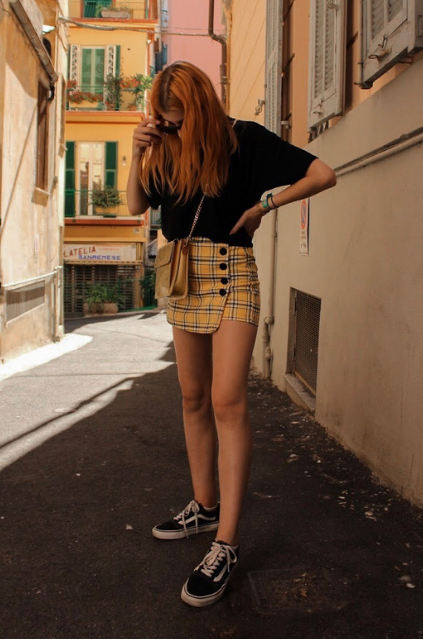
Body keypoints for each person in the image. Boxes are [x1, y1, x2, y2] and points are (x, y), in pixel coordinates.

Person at [126, 61, 336, 607]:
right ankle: (204, 505)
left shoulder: (244, 140)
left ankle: (226, 543)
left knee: (227, 400)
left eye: (176, 122)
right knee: (192, 396)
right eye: (163, 122)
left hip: (231, 272)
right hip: (180, 273)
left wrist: (265, 203)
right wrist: (138, 151)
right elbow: (135, 205)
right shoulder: (163, 150)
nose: (170, 130)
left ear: (198, 110)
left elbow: (322, 173)